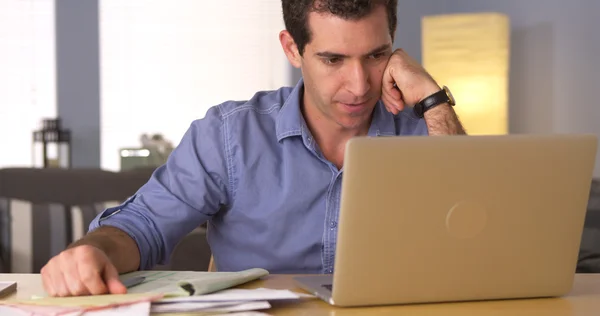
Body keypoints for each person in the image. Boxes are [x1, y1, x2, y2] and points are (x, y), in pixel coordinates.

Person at [41, 0, 466, 297]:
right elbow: (143, 225)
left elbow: (476, 225)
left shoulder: (423, 130)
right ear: (291, 49)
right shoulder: (229, 136)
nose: (359, 86)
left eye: (376, 56)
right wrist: (93, 251)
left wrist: (434, 99)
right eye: (333, 60)